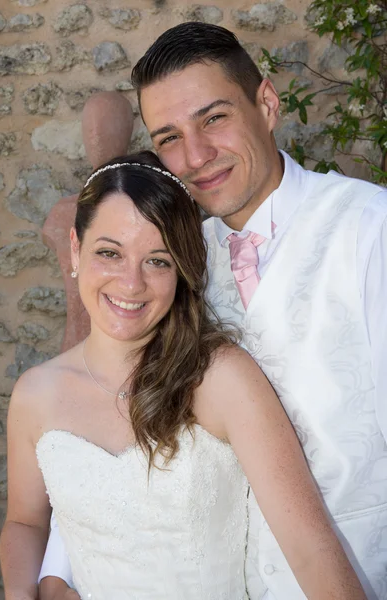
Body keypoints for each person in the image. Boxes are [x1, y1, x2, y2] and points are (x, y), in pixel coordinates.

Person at [36, 22, 387, 600]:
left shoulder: (368, 231)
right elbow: (112, 408)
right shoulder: (171, 262)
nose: (195, 156)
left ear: (267, 103)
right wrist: (62, 566)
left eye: (214, 118)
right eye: (169, 136)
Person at [0, 151, 366, 600]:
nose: (130, 284)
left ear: (182, 270)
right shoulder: (35, 394)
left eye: (157, 260)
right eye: (109, 252)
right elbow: (25, 521)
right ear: (76, 249)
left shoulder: (219, 378)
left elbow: (309, 548)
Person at [43, 91, 134, 351]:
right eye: (92, 128)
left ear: (128, 132)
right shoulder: (62, 213)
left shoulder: (144, 208)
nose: (98, 136)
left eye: (110, 126)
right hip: (74, 342)